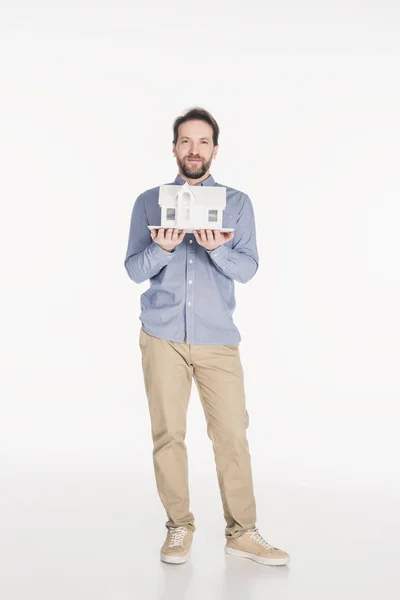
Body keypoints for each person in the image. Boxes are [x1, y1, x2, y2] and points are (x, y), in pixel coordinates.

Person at [124, 107, 290, 567]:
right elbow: (134, 269)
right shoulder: (147, 202)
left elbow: (249, 268)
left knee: (232, 436)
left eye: (202, 142)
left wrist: (218, 250)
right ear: (174, 147)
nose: (193, 150)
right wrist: (162, 248)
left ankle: (242, 532)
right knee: (168, 435)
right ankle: (178, 526)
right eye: (185, 141)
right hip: (161, 336)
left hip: (218, 338)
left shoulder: (238, 203)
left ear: (215, 149)